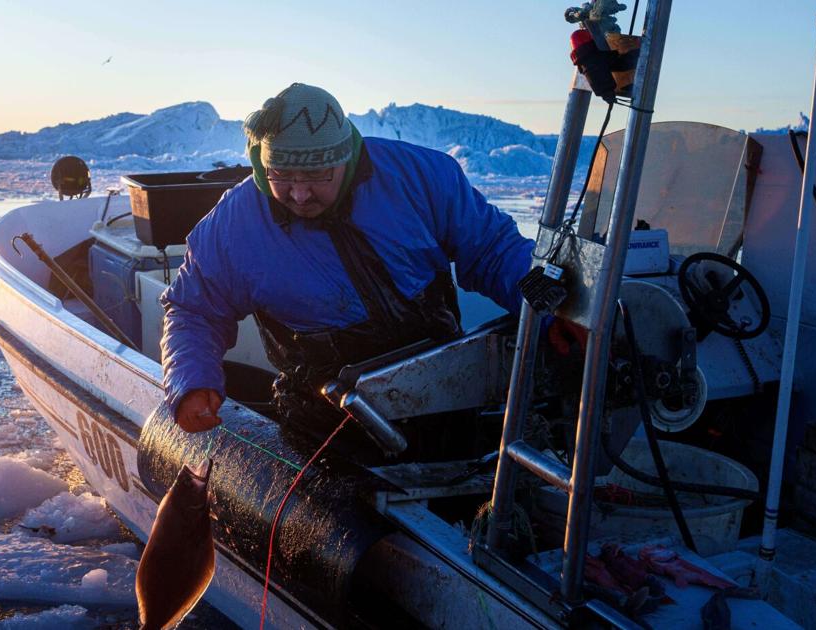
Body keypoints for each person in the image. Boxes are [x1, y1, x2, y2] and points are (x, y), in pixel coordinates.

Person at [159, 83, 536, 458]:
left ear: (346, 159)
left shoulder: (421, 177)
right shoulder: (234, 223)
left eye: (317, 176)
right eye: (283, 176)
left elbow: (494, 250)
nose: (300, 194)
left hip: (441, 389)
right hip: (323, 417)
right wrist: (191, 381)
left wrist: (549, 311)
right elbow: (195, 310)